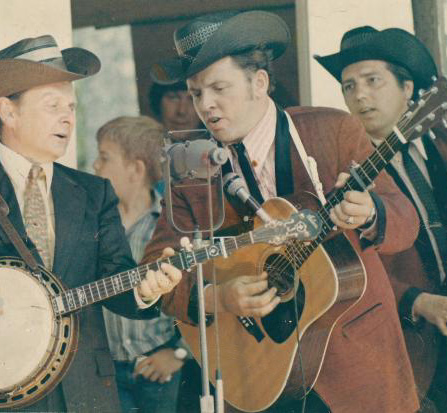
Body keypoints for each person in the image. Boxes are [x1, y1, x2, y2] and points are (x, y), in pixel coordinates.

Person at [143, 11, 421, 413]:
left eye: (219, 88)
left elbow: (405, 220)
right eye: (195, 93)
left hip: (354, 366)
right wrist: (218, 298)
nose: (206, 105)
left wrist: (371, 211)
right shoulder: (191, 167)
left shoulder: (332, 131)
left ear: (259, 83)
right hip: (260, 375)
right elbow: (158, 265)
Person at [0, 35, 182, 412]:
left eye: (72, 107)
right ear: (8, 112)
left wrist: (147, 290)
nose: (68, 117)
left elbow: (118, 278)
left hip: (83, 393)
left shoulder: (94, 194)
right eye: (52, 105)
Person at [315, 26, 447, 411]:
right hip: (412, 342)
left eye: (373, 81)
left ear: (408, 89)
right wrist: (417, 301)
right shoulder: (342, 175)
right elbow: (343, 266)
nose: (360, 95)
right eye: (348, 86)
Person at [92, 115, 187, 413]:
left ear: (135, 169)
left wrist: (178, 353)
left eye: (105, 158)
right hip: (105, 372)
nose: (95, 166)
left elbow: (193, 297)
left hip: (155, 369)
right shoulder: (97, 225)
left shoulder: (167, 227)